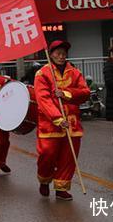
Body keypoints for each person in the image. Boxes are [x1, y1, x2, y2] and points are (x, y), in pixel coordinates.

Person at [34, 40, 90, 200]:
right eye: (58, 53)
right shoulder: (42, 73)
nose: (61, 56)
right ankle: (44, 180)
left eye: (64, 54)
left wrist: (66, 93)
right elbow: (42, 99)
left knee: (68, 157)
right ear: (51, 54)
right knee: (47, 154)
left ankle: (61, 188)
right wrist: (57, 118)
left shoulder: (75, 72)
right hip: (50, 124)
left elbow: (85, 92)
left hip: (72, 122)